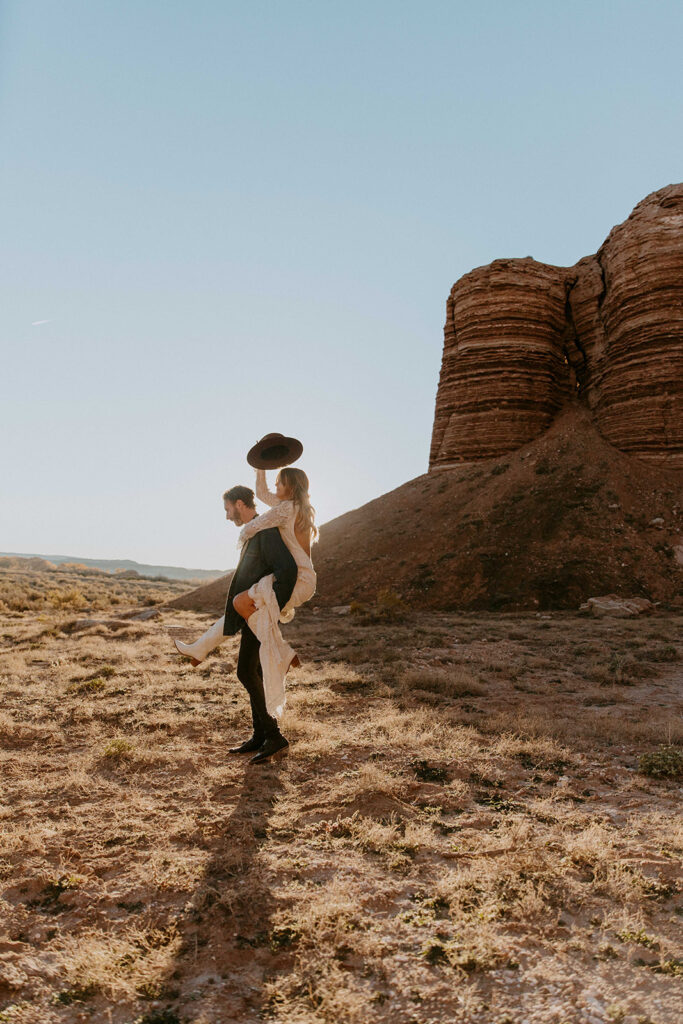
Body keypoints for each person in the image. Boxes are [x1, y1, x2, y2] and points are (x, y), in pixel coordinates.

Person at [174, 484, 297, 764]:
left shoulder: (265, 531)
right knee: (251, 670)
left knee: (246, 671)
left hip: (259, 612)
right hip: (250, 612)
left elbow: (286, 570)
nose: (228, 516)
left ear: (240, 504)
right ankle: (261, 735)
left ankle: (274, 736)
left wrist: (269, 604)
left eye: (228, 509)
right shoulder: (255, 531)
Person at [235, 466, 317, 622]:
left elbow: (252, 527)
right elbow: (262, 493)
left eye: (280, 482)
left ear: (291, 487)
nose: (276, 485)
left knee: (242, 603)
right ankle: (267, 644)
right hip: (303, 578)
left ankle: (270, 645)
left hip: (296, 579)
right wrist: (261, 467)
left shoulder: (287, 508)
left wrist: (244, 546)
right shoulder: (293, 506)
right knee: (255, 614)